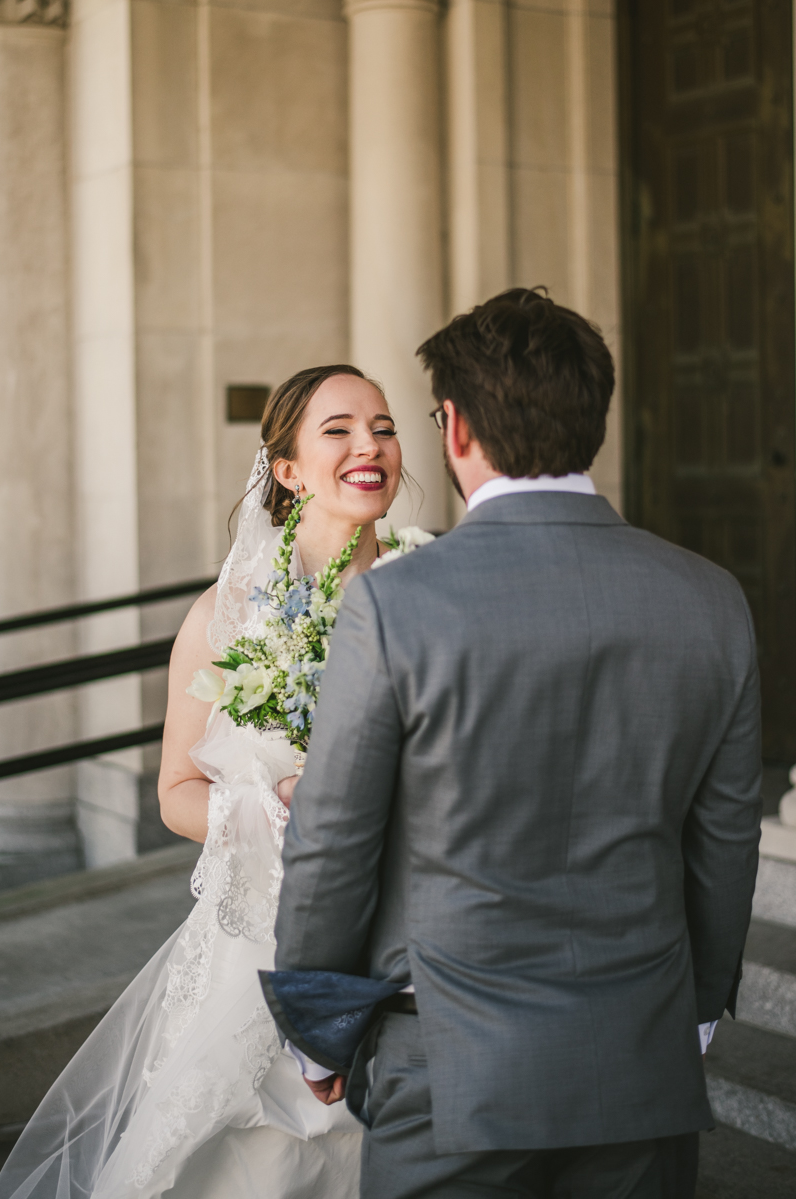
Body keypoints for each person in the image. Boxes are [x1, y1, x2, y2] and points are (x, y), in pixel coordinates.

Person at [273, 289, 763, 1198]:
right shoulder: (711, 597)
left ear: (455, 427)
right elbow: (726, 838)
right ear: (595, 417)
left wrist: (315, 1029)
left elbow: (334, 840)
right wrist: (694, 1013)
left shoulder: (398, 603)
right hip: (641, 1057)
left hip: (453, 1064)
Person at [0, 364, 402, 1199]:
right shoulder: (223, 617)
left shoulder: (430, 594)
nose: (371, 445)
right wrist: (270, 809)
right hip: (254, 951)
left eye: (387, 427)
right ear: (285, 469)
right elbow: (175, 791)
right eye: (339, 430)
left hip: (399, 951)